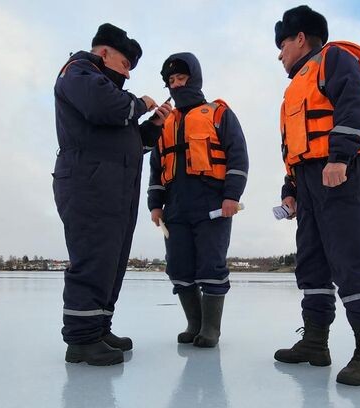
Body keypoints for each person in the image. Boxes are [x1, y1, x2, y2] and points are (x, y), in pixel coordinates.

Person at [270, 6, 360, 385]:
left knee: (351, 259)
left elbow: (354, 106)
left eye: (282, 44)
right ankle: (315, 343)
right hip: (307, 183)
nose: (279, 54)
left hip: (338, 173)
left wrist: (339, 157)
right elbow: (293, 147)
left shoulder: (334, 59)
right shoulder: (292, 90)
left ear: (300, 38)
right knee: (312, 264)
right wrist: (290, 190)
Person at [52, 23, 172, 366]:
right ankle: (81, 340)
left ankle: (98, 326)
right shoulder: (78, 71)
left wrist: (153, 127)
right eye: (124, 66)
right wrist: (142, 104)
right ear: (104, 53)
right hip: (89, 184)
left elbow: (130, 143)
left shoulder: (101, 85)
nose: (127, 76)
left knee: (111, 261)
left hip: (113, 187)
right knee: (93, 257)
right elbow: (108, 107)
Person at [147, 53, 249, 348]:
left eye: (181, 78)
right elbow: (156, 167)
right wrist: (155, 204)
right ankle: (194, 323)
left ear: (194, 79)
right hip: (175, 206)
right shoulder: (164, 123)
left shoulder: (218, 113)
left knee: (210, 266)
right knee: (178, 267)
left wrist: (232, 195)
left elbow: (238, 155)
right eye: (171, 81)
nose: (176, 85)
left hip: (213, 204)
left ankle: (210, 329)